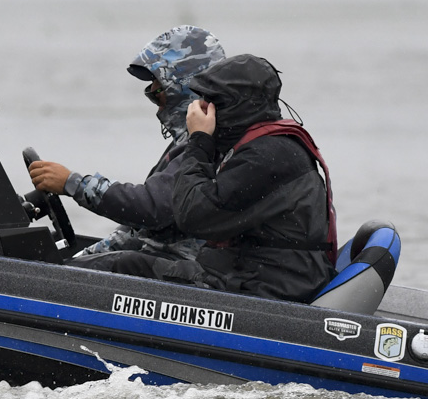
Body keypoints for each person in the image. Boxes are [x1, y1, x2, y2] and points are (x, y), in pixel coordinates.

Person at [67, 54, 336, 303]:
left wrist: (199, 140)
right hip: (256, 271)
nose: (201, 108)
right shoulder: (266, 146)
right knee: (135, 258)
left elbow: (192, 215)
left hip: (270, 285)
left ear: (237, 105)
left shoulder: (267, 155)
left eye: (212, 101)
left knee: (124, 266)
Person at [28, 25, 226, 265]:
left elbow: (152, 208)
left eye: (158, 88)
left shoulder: (206, 143)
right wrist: (76, 260)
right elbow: (138, 227)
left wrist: (73, 184)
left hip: (182, 268)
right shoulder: (188, 140)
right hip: (159, 256)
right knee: (58, 261)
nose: (154, 94)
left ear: (182, 85)